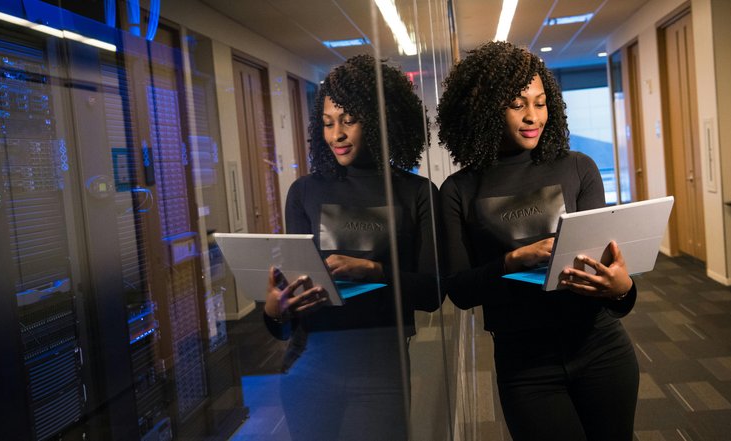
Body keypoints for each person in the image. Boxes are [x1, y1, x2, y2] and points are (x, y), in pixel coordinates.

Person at [437, 41, 639, 441]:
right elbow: (459, 290)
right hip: (524, 364)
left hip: (599, 346)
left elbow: (607, 270)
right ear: (485, 108)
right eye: (518, 104)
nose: (533, 116)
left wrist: (623, 290)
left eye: (541, 102)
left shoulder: (577, 168)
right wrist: (512, 261)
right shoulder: (459, 190)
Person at [262, 54, 441, 440]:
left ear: (380, 121)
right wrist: (276, 311)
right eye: (328, 123)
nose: (336, 134)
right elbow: (292, 302)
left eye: (349, 120)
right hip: (308, 364)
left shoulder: (417, 193)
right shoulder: (305, 192)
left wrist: (373, 271)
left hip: (382, 368)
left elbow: (432, 293)